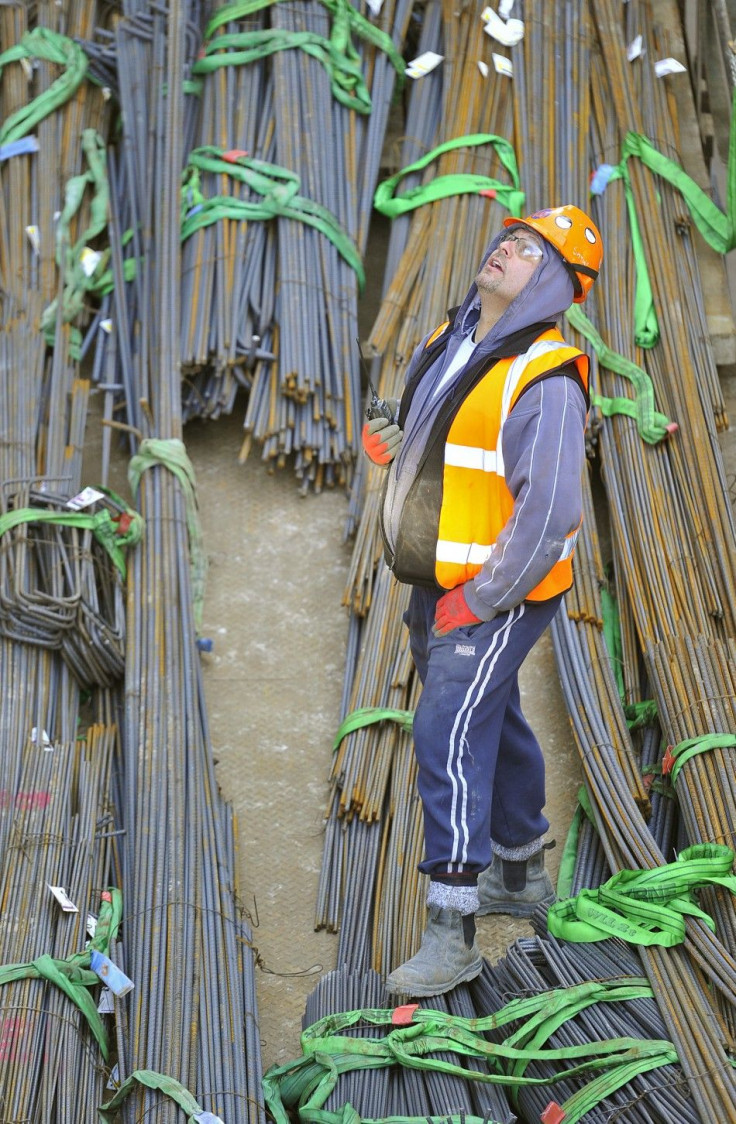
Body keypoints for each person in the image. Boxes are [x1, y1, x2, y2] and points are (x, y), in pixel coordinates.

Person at [361, 204, 603, 997]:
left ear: (557, 286)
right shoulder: (455, 336)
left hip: (492, 590)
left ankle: (452, 926)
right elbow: (449, 439)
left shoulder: (546, 378)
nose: (507, 247)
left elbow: (552, 512)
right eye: (510, 236)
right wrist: (395, 440)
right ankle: (522, 871)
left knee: (445, 735)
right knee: (484, 715)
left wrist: (486, 596)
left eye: (531, 249)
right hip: (440, 577)